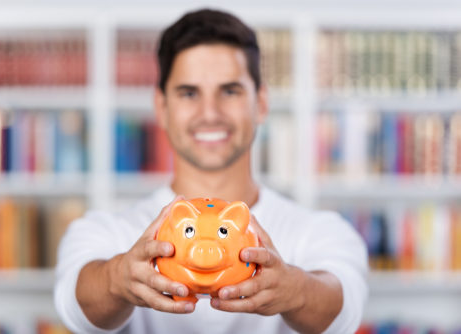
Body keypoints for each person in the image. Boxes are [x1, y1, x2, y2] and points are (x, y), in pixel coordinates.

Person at [54, 8, 368, 334]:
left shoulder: (319, 231)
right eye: (189, 93)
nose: (210, 113)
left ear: (260, 103)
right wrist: (117, 279)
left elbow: (344, 311)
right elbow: (75, 309)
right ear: (161, 107)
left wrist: (297, 290)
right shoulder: (107, 231)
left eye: (230, 91)